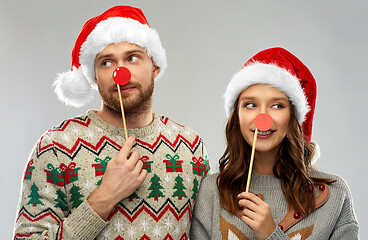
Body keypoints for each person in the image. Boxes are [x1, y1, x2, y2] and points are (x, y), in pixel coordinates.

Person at [13, 6, 210, 240]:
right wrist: (104, 197)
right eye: (106, 62)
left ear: (155, 67)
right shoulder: (56, 147)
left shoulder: (191, 147)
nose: (121, 72)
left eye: (132, 58)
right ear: (94, 76)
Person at [190, 47, 359, 239]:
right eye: (251, 105)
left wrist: (271, 234)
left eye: (277, 105)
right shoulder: (211, 191)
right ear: (237, 116)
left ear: (293, 117)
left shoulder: (334, 197)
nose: (263, 117)